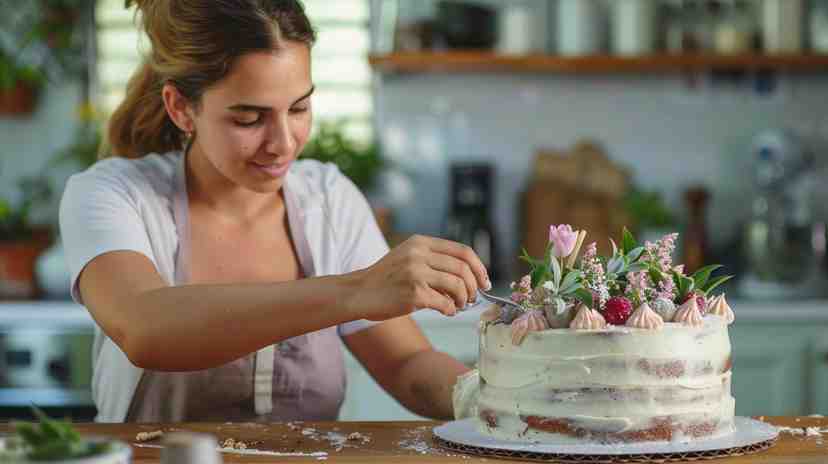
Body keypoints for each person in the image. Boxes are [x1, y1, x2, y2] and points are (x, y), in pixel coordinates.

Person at [59, 0, 490, 423]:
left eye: (299, 108)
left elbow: (408, 364)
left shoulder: (328, 200)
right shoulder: (113, 194)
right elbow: (144, 327)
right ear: (181, 108)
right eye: (249, 119)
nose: (283, 142)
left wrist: (494, 400)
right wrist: (358, 290)